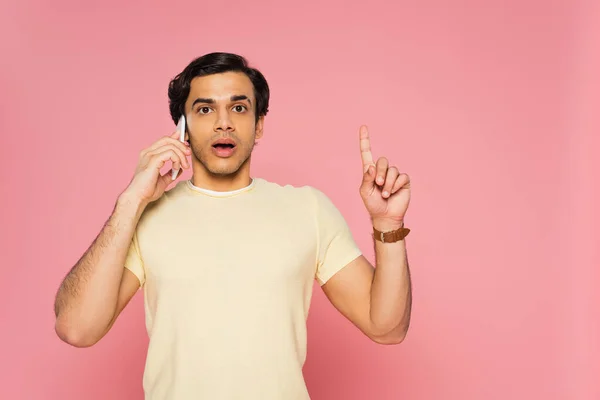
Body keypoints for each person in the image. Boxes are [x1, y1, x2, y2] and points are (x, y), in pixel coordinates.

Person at [53, 52, 413, 399]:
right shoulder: (146, 217)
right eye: (205, 109)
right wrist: (129, 202)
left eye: (238, 108)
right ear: (183, 129)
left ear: (258, 126)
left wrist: (387, 225)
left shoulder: (307, 209)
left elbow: (387, 328)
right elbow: (76, 328)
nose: (223, 122)